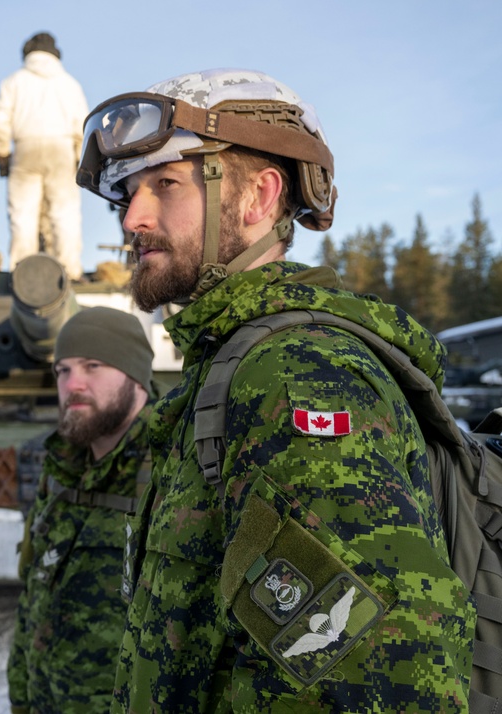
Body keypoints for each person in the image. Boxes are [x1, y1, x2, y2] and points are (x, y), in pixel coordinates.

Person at [76, 68, 475, 711]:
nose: (133, 218)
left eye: (165, 184)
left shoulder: (296, 375)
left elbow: (384, 679)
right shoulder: (226, 364)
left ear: (258, 199)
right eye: (127, 194)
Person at [7, 306, 155, 714]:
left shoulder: (174, 470)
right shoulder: (60, 472)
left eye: (93, 366)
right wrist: (20, 701)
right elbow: (31, 603)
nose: (73, 384)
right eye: (62, 370)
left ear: (135, 375)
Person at [0, 31, 88, 280]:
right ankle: (69, 270)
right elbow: (83, 125)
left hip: (25, 149)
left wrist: (3, 153)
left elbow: (0, 118)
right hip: (61, 150)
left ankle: (24, 272)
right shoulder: (70, 84)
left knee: (23, 214)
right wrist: (79, 157)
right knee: (64, 212)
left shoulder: (14, 81)